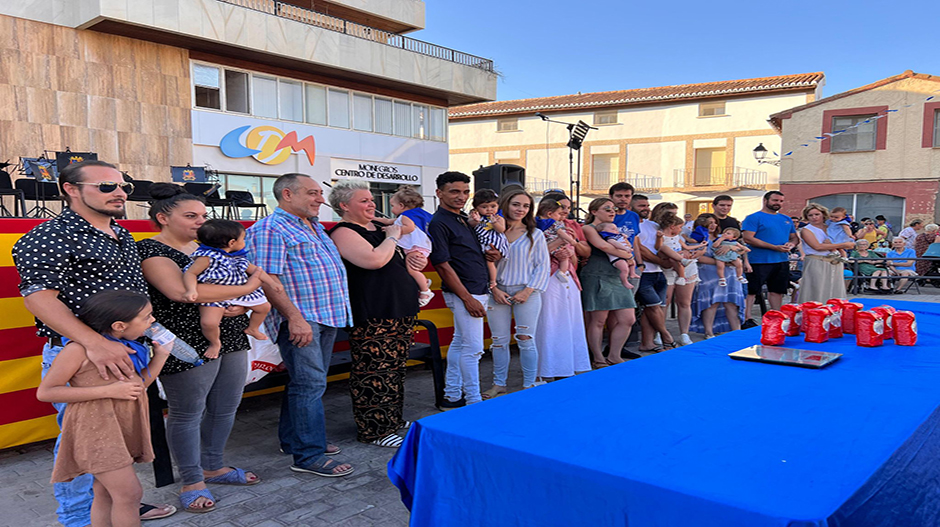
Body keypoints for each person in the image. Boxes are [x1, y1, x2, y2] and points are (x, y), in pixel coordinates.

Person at [12, 160, 176, 526]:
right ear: (71, 189)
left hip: (126, 349)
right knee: (83, 440)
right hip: (82, 355)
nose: (119, 193)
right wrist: (95, 343)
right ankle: (78, 519)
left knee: (113, 438)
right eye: (106, 187)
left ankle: (120, 501)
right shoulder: (49, 235)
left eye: (123, 187)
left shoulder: (121, 233)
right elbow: (38, 298)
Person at [138, 184, 263, 512]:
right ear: (163, 218)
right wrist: (247, 289)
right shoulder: (151, 251)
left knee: (226, 406)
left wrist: (243, 304)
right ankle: (192, 480)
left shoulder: (211, 247)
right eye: (191, 215)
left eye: (203, 215)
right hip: (184, 341)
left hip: (231, 333)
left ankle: (214, 465)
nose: (200, 221)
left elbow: (229, 282)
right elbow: (182, 292)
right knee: (187, 412)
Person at [247, 173, 355, 477]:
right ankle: (309, 455)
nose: (321, 199)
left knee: (305, 384)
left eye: (320, 192)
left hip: (326, 315)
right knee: (310, 385)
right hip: (301, 319)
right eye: (313, 193)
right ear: (287, 194)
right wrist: (294, 318)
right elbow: (268, 281)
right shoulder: (270, 228)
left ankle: (295, 439)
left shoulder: (313, 226)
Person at [38, 290, 170, 527]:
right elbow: (46, 392)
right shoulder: (77, 350)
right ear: (119, 325)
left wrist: (159, 357)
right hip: (95, 431)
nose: (153, 321)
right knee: (130, 495)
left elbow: (136, 386)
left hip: (118, 429)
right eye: (147, 317)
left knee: (105, 492)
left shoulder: (127, 346)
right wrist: (108, 391)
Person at [327, 180, 423, 448]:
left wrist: (383, 224)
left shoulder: (377, 226)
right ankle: (374, 429)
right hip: (373, 310)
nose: (371, 204)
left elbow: (409, 227)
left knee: (395, 368)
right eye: (364, 201)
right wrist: (391, 235)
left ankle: (391, 418)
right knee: (374, 370)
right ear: (344, 206)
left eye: (372, 200)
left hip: (398, 307)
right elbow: (374, 260)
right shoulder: (343, 232)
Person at [427, 172, 493, 408]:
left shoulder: (462, 218)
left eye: (465, 192)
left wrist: (489, 255)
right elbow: (442, 265)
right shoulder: (439, 223)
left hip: (475, 288)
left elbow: (465, 254)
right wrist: (467, 298)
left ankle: (452, 395)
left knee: (460, 343)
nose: (461, 196)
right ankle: (474, 401)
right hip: (465, 292)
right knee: (473, 349)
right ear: (439, 193)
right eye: (455, 191)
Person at [482, 188, 550, 398]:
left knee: (525, 338)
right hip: (497, 292)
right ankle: (499, 384)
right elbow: (482, 264)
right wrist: (494, 288)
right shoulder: (489, 232)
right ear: (505, 204)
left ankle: (529, 385)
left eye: (526, 206)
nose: (521, 209)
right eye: (516, 204)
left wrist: (528, 291)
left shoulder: (534, 234)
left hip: (527, 292)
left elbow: (542, 266)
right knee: (499, 341)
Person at [182, 219, 278, 358]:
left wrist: (272, 283)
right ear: (232, 243)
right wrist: (191, 290)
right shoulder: (207, 257)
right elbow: (190, 273)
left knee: (264, 307)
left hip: (237, 292)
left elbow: (257, 271)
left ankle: (253, 328)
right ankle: (215, 342)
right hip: (215, 295)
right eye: (243, 239)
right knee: (209, 323)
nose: (245, 242)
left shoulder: (239, 258)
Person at [534, 192, 591, 380]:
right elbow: (534, 255)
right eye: (562, 209)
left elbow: (578, 256)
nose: (566, 212)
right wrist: (561, 242)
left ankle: (569, 365)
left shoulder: (567, 227)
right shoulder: (535, 227)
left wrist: (569, 250)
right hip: (547, 278)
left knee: (570, 321)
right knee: (550, 322)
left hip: (568, 276)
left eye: (567, 208)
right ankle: (548, 368)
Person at [581, 198, 637, 367]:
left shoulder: (614, 229)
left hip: (617, 275)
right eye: (607, 209)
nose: (612, 212)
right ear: (594, 211)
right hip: (597, 274)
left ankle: (614, 355)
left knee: (628, 319)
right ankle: (598, 357)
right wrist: (627, 255)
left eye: (613, 209)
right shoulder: (588, 228)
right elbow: (603, 247)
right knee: (597, 320)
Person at [742, 191, 799, 324]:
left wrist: (791, 244)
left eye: (781, 201)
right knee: (752, 290)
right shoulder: (753, 218)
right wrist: (774, 247)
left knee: (777, 290)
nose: (778, 203)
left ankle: (776, 316)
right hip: (758, 260)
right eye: (775, 200)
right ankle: (746, 318)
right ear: (766, 200)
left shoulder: (786, 219)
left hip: (781, 260)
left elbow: (794, 237)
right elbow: (748, 238)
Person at [632, 196, 677, 353]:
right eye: (641, 205)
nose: (646, 208)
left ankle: (647, 343)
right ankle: (667, 337)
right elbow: (640, 249)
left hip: (658, 273)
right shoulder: (632, 225)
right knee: (654, 307)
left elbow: (662, 245)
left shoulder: (653, 225)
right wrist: (661, 261)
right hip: (644, 272)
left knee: (653, 310)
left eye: (647, 205)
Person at [690, 213, 746, 338]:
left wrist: (731, 250)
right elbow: (697, 257)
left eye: (715, 222)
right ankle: (709, 332)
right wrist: (723, 262)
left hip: (730, 275)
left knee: (731, 303)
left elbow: (742, 250)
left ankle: (736, 331)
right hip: (709, 274)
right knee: (711, 303)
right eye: (709, 223)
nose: (713, 225)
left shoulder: (725, 237)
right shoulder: (696, 239)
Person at [657, 213, 702, 346]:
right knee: (664, 303)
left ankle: (684, 334)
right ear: (672, 226)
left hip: (686, 266)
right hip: (668, 269)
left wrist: (696, 251)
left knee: (684, 302)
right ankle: (660, 332)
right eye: (680, 226)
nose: (682, 229)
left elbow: (686, 246)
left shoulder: (678, 237)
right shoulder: (660, 237)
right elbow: (658, 248)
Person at [797, 203, 855, 303]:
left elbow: (848, 240)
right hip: (817, 261)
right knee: (816, 291)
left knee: (835, 290)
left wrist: (846, 243)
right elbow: (817, 246)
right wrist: (842, 245)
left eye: (817, 214)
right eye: (810, 215)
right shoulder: (806, 230)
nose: (814, 217)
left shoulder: (833, 226)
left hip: (835, 262)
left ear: (823, 214)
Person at [388, 185, 435, 305]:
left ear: (402, 206)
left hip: (415, 247)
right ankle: (423, 281)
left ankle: (425, 291)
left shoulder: (405, 216)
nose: (392, 210)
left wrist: (393, 231)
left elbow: (409, 228)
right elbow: (389, 221)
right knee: (414, 269)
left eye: (393, 206)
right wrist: (375, 219)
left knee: (412, 270)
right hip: (423, 246)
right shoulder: (420, 214)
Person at [468, 189, 510, 291]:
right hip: (481, 241)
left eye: (493, 206)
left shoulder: (499, 218)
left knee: (489, 261)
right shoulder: (475, 216)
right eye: (484, 207)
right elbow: (470, 224)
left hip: (494, 241)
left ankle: (492, 281)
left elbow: (501, 230)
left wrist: (495, 223)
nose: (489, 209)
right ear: (476, 207)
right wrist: (475, 221)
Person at [536, 198, 579, 282]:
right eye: (559, 213)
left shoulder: (537, 222)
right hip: (548, 271)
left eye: (569, 208)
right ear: (549, 213)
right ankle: (562, 272)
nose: (565, 212)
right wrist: (571, 241)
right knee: (564, 258)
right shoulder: (554, 223)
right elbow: (561, 233)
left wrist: (571, 252)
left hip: (550, 248)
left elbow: (575, 261)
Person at [608, 182, 643, 271]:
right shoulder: (606, 216)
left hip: (631, 265)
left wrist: (640, 263)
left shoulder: (633, 216)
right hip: (612, 264)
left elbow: (634, 240)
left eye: (627, 196)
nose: (623, 199)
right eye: (619, 196)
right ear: (611, 197)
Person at [594, 222, 638, 288]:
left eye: (616, 229)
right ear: (603, 231)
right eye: (613, 229)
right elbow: (616, 244)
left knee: (633, 263)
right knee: (624, 269)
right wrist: (625, 248)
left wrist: (624, 236)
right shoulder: (609, 238)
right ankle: (625, 281)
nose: (616, 231)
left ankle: (632, 273)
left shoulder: (617, 235)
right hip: (616, 257)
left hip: (625, 254)